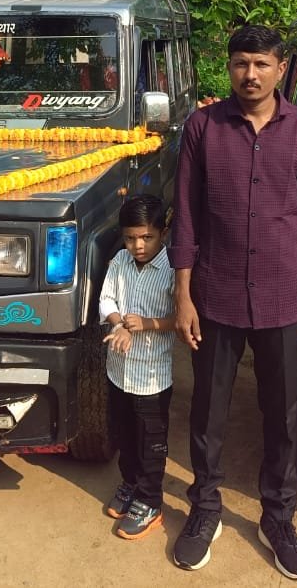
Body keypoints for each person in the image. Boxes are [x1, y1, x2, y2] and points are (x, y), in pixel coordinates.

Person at [168, 24, 297, 579]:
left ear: (280, 68)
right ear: (229, 66)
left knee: (283, 416)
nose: (251, 74)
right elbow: (186, 217)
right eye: (241, 63)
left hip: (286, 297)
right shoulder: (203, 127)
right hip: (214, 296)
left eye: (261, 64)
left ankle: (278, 517)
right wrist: (184, 294)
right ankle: (206, 510)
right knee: (208, 414)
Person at [98, 193, 176, 541]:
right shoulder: (120, 262)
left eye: (147, 237)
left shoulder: (174, 270)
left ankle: (150, 500)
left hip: (152, 376)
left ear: (163, 233)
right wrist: (117, 325)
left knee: (151, 441)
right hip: (119, 369)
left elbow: (183, 319)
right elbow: (107, 299)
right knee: (124, 432)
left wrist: (148, 324)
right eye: (131, 238)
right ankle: (130, 483)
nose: (138, 245)